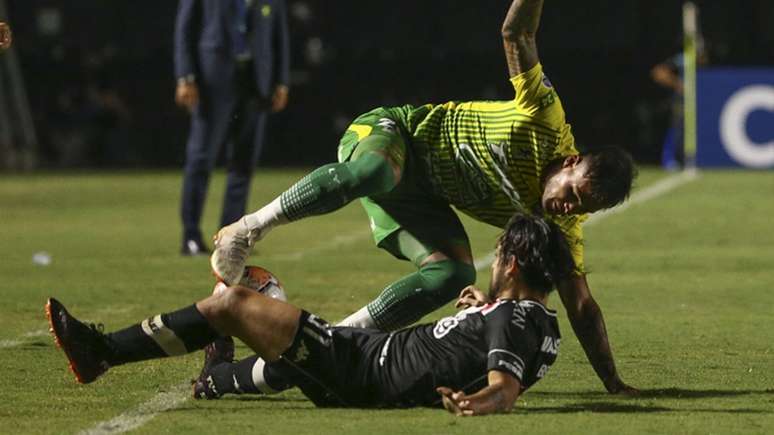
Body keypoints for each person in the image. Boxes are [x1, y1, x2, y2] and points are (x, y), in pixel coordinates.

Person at [210, 0, 638, 394]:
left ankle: (335, 341)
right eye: (575, 194)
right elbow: (516, 34)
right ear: (571, 162)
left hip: (421, 199)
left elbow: (581, 306)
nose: (569, 207)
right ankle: (245, 231)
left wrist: (613, 382)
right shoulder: (545, 119)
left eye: (583, 208)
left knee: (453, 275)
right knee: (377, 171)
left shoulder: (562, 224)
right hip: (395, 136)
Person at [48, 213, 573, 415]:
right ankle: (217, 378)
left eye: (502, 250)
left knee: (234, 300)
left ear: (513, 262)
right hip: (365, 364)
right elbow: (502, 348)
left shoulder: (517, 319)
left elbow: (504, 386)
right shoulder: (535, 322)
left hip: (366, 368)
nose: (495, 258)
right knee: (272, 333)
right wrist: (482, 313)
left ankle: (103, 353)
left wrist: (478, 403)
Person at [174, 0, 290, 256]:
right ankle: (191, 235)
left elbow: (279, 34)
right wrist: (185, 76)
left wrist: (281, 81)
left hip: (255, 83)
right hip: (211, 82)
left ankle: (230, 238)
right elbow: (185, 29)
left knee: (243, 163)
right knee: (201, 159)